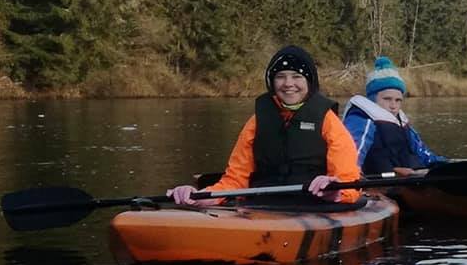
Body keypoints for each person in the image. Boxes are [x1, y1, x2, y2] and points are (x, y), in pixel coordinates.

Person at [169, 45, 361, 205]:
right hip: (263, 204)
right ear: (272, 82)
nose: (288, 83)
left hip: (315, 204)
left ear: (309, 82)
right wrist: (198, 197)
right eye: (280, 76)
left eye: (296, 76)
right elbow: (235, 180)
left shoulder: (329, 121)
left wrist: (334, 191)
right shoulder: (257, 122)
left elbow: (348, 183)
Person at [343, 56, 447, 174]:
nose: (393, 106)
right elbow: (351, 160)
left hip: (412, 176)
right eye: (387, 99)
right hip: (380, 178)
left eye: (398, 100)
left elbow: (424, 153)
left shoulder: (402, 122)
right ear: (373, 99)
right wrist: (391, 171)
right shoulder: (360, 120)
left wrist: (445, 164)